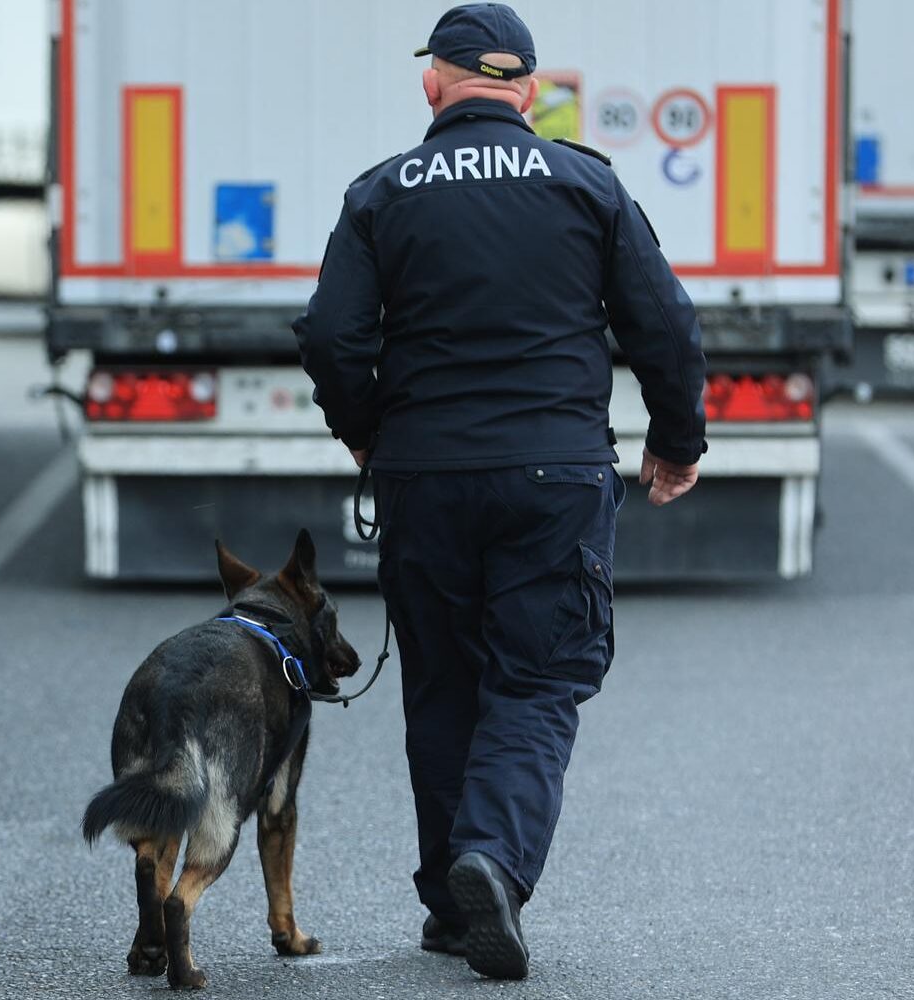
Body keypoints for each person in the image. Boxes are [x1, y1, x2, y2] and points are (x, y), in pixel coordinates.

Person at [293, 2, 707, 981]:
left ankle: (451, 901)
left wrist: (368, 436)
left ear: (431, 84)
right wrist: (675, 441)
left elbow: (331, 336)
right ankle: (492, 857)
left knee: (442, 683)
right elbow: (665, 325)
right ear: (526, 90)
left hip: (424, 476)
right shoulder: (584, 184)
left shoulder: (381, 193)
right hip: (554, 475)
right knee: (537, 676)